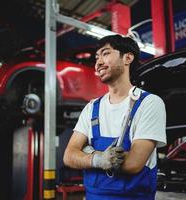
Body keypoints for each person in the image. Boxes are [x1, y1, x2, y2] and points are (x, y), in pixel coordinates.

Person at [63, 35, 166, 200]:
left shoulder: (149, 103)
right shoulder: (92, 108)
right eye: (96, 57)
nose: (98, 62)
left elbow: (133, 163)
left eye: (105, 53)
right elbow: (69, 155)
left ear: (128, 58)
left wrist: (87, 152)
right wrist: (98, 159)